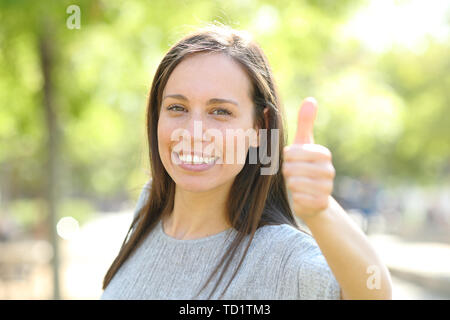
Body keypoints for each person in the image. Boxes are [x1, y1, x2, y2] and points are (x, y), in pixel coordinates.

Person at [100, 24, 392, 300]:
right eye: (177, 107)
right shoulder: (150, 206)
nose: (193, 132)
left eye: (220, 112)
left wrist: (321, 210)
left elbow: (373, 290)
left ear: (258, 129)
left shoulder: (283, 258)